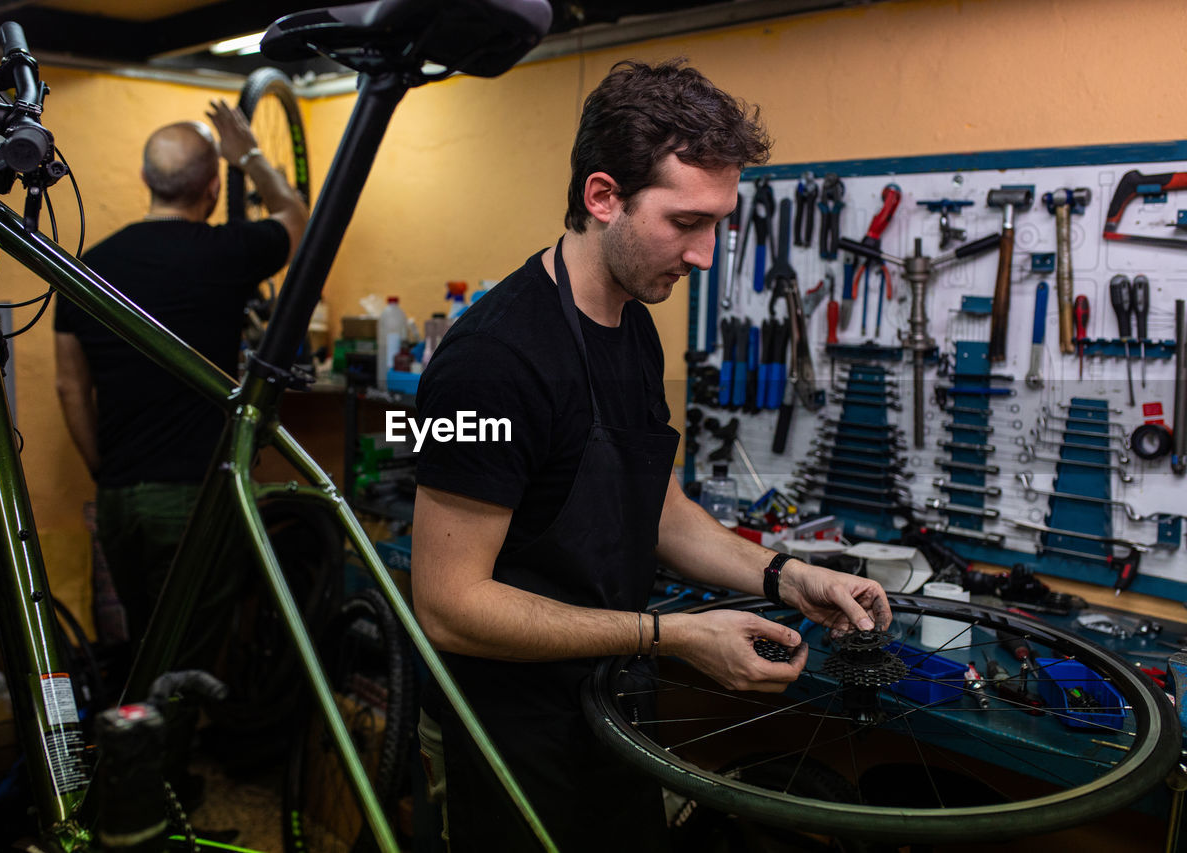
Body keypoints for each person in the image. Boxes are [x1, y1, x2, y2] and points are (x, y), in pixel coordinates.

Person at [410, 59, 892, 851]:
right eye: (685, 222)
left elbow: (656, 508)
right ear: (604, 197)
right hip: (507, 729)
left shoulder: (632, 320)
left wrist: (785, 573)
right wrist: (672, 636)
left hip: (613, 700)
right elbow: (448, 605)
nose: (704, 255)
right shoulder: (489, 362)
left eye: (717, 224)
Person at [54, 100, 308, 669]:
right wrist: (250, 155)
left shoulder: (84, 266)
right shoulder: (228, 251)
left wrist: (108, 471)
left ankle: (147, 752)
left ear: (146, 179)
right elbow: (296, 217)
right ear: (215, 189)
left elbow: (70, 389)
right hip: (194, 497)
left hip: (120, 501)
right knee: (186, 666)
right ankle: (172, 758)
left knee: (146, 650)